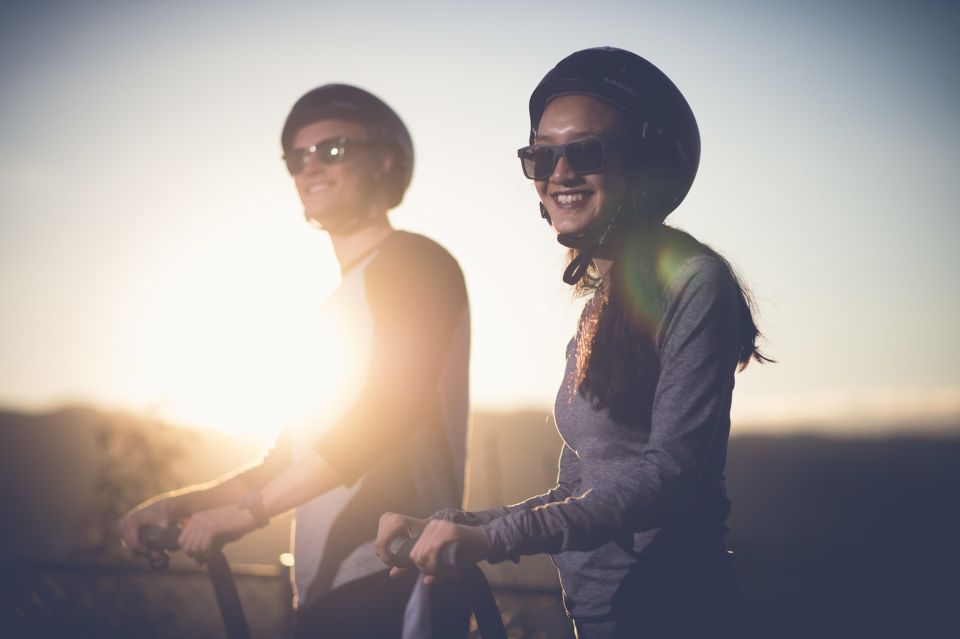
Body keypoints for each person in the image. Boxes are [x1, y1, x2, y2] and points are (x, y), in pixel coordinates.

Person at [376, 47, 770, 638]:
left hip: (673, 612)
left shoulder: (693, 280)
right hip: (600, 616)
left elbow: (672, 473)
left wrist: (490, 539)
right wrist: (459, 524)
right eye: (542, 156)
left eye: (585, 151)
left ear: (644, 165)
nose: (559, 173)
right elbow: (577, 488)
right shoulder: (599, 307)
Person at [119, 84, 472, 638]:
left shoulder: (415, 262)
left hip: (399, 578)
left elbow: (389, 408)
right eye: (297, 157)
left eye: (333, 149)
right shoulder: (330, 309)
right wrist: (179, 506)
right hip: (326, 594)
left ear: (384, 158)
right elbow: (286, 460)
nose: (312, 167)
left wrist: (245, 514)